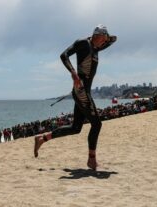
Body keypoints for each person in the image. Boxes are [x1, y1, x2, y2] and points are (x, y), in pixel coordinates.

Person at [34, 24, 117, 170]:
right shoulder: (83, 43)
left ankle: (42, 138)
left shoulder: (97, 48)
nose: (104, 42)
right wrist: (73, 73)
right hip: (81, 91)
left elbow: (114, 40)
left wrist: (107, 37)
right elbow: (63, 55)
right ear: (97, 35)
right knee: (97, 124)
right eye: (103, 39)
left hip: (85, 92)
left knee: (75, 128)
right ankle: (92, 159)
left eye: (105, 40)